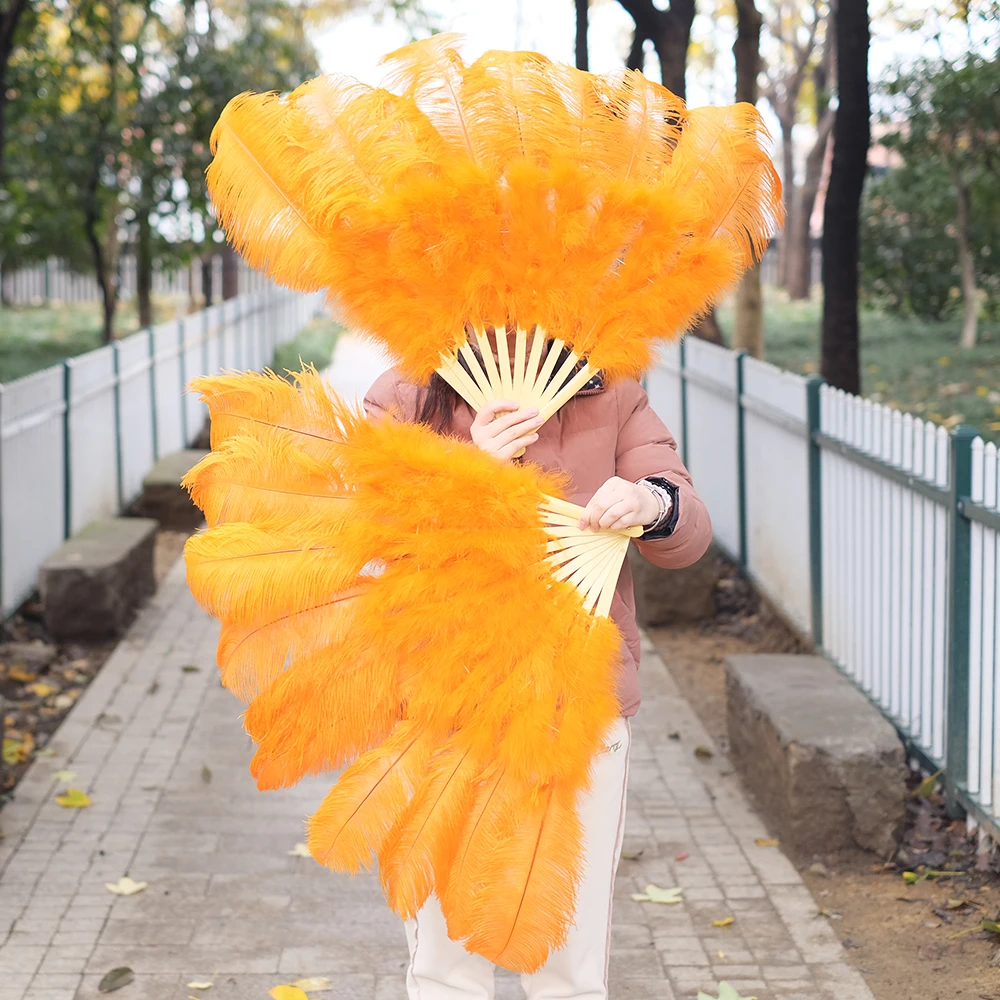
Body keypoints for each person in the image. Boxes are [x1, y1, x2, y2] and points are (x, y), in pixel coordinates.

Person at [363, 354, 712, 1000]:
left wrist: (648, 501)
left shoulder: (611, 392)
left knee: (568, 961)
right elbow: (371, 533)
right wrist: (467, 471)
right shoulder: (411, 391)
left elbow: (687, 526)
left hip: (579, 702)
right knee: (447, 962)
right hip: (448, 701)